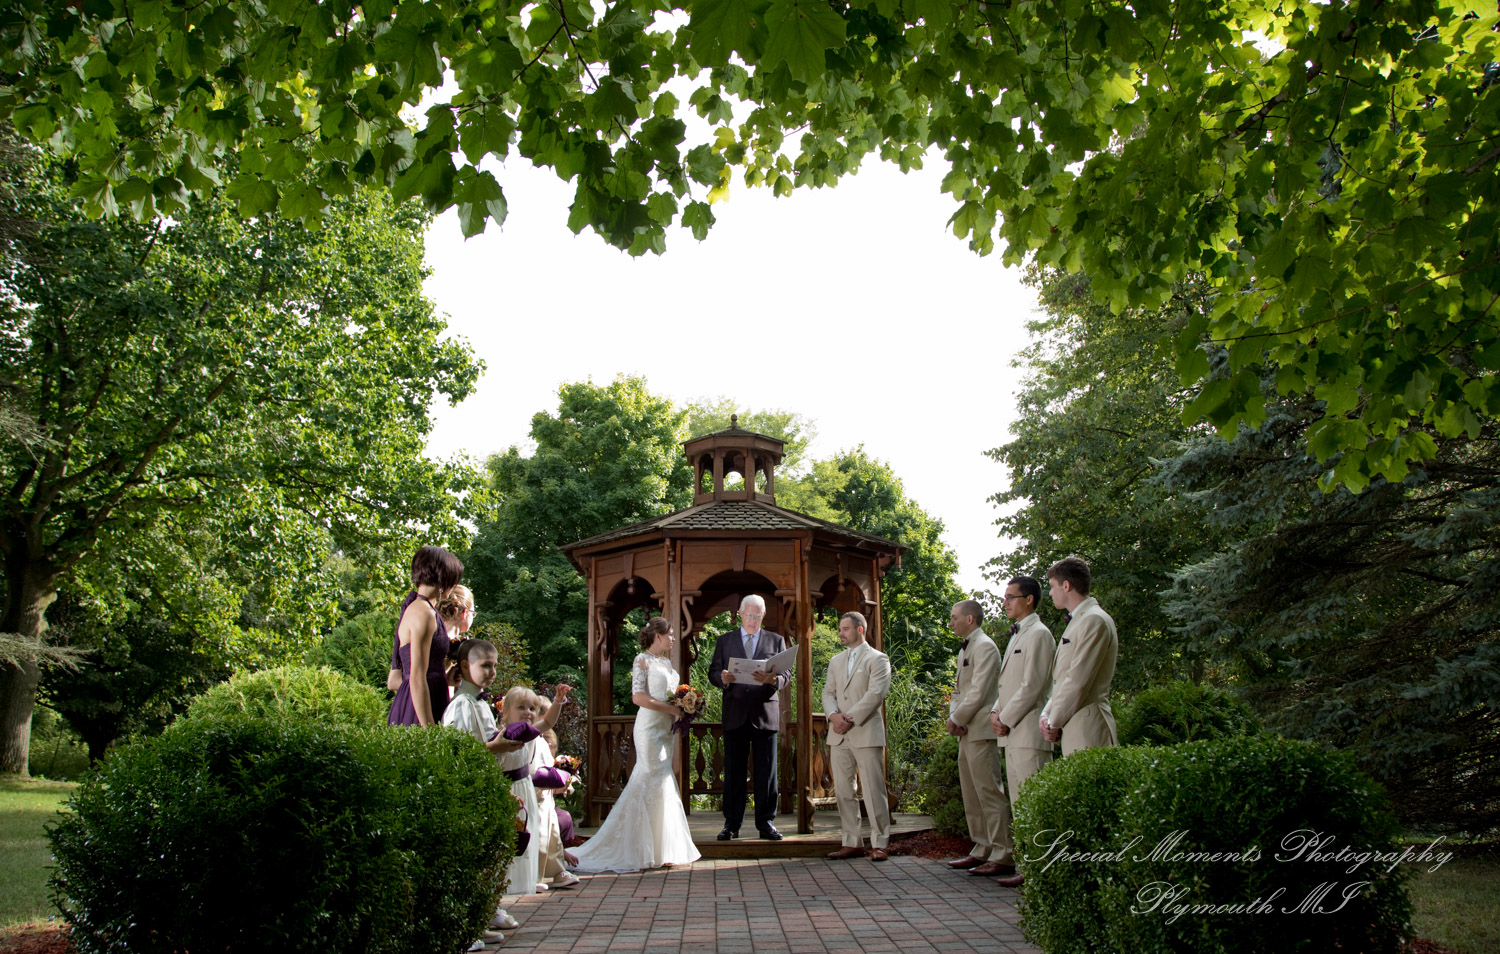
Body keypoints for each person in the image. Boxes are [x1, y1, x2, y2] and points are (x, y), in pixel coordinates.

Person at [569, 617, 701, 872]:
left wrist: (686, 705)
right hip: (650, 728)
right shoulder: (642, 660)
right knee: (649, 776)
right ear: (658, 636)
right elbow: (638, 697)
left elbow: (671, 694)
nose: (673, 639)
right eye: (670, 634)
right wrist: (672, 710)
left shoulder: (666, 662)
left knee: (664, 779)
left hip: (665, 730)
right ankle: (638, 848)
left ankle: (663, 848)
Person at [441, 638, 520, 948]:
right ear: (464, 667)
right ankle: (463, 929)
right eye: (485, 665)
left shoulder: (479, 703)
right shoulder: (461, 705)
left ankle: (479, 916)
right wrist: (496, 746)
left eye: (494, 666)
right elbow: (461, 751)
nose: (491, 672)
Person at [988, 576, 1057, 890]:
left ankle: (1039, 870)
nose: (1006, 603)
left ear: (1029, 599)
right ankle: (1026, 866)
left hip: (1028, 731)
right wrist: (995, 711)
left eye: (1011, 597)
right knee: (1018, 803)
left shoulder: (1039, 635)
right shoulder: (1017, 635)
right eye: (1005, 597)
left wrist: (1007, 717)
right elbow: (1009, 683)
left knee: (1032, 804)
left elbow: (1034, 686)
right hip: (1011, 731)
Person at [708, 594, 792, 841]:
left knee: (767, 772)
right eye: (749, 615)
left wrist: (774, 679)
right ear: (740, 615)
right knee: (733, 772)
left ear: (763, 615)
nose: (753, 620)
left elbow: (787, 673)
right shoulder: (725, 641)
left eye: (757, 615)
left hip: (764, 713)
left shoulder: (776, 641)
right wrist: (721, 678)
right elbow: (713, 671)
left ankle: (766, 823)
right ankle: (731, 824)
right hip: (735, 714)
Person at [944, 598, 1014, 877]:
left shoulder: (985, 646)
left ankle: (1003, 852)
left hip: (981, 729)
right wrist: (954, 717)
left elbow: (980, 691)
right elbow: (959, 691)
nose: (950, 623)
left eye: (954, 618)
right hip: (965, 730)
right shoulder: (965, 649)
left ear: (970, 619)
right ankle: (981, 846)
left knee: (988, 791)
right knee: (971, 792)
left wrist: (956, 719)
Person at [822, 611, 893, 862]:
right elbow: (827, 693)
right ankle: (852, 842)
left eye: (845, 629)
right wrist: (833, 716)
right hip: (838, 735)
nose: (840, 633)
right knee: (843, 791)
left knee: (874, 791)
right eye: (840, 629)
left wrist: (848, 719)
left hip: (865, 732)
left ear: (860, 630)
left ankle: (880, 842)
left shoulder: (878, 659)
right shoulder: (835, 661)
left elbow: (875, 694)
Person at [498, 683, 573, 896]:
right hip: (510, 789)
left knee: (527, 836)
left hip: (526, 790)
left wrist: (558, 701)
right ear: (506, 711)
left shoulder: (529, 733)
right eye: (521, 707)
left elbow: (548, 721)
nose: (528, 713)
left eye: (532, 708)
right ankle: (507, 881)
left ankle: (527, 878)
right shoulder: (501, 735)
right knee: (511, 836)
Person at [1039, 556, 1118, 755]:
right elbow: (1063, 679)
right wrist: (1046, 713)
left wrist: (1052, 722)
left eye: (1052, 586)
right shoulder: (1080, 620)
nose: (1050, 593)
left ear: (1066, 586)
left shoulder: (1094, 620)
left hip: (1090, 728)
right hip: (1075, 724)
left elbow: (1078, 681)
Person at [388, 545, 464, 727]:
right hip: (420, 708)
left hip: (427, 698)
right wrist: (429, 729)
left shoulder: (420, 608)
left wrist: (445, 679)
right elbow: (416, 676)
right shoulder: (423, 613)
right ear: (442, 579)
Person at [531, 697, 581, 889]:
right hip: (536, 796)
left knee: (551, 836)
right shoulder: (530, 741)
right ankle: (535, 875)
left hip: (547, 799)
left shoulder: (544, 742)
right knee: (540, 837)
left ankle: (557, 870)